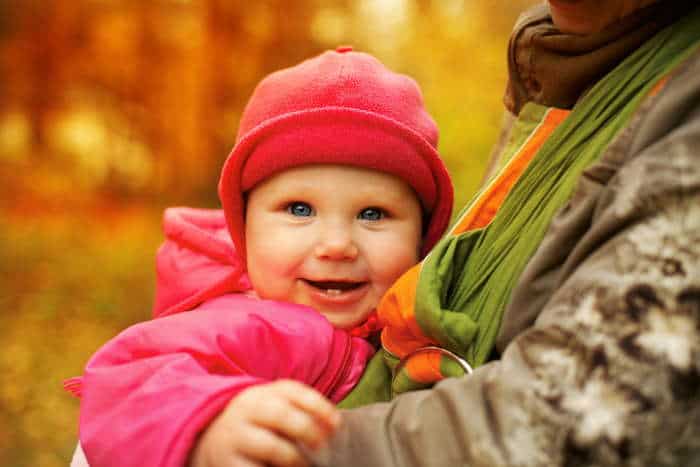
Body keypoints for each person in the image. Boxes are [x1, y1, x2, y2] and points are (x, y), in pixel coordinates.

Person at [302, 1, 700, 466]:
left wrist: (243, 442)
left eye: (372, 214)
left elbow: (555, 432)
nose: (335, 244)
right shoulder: (568, 64)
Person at [66, 47, 454, 467]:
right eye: (300, 209)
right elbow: (126, 381)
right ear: (244, 229)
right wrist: (208, 428)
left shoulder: (404, 327)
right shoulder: (257, 323)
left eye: (373, 214)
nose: (338, 244)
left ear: (422, 237)